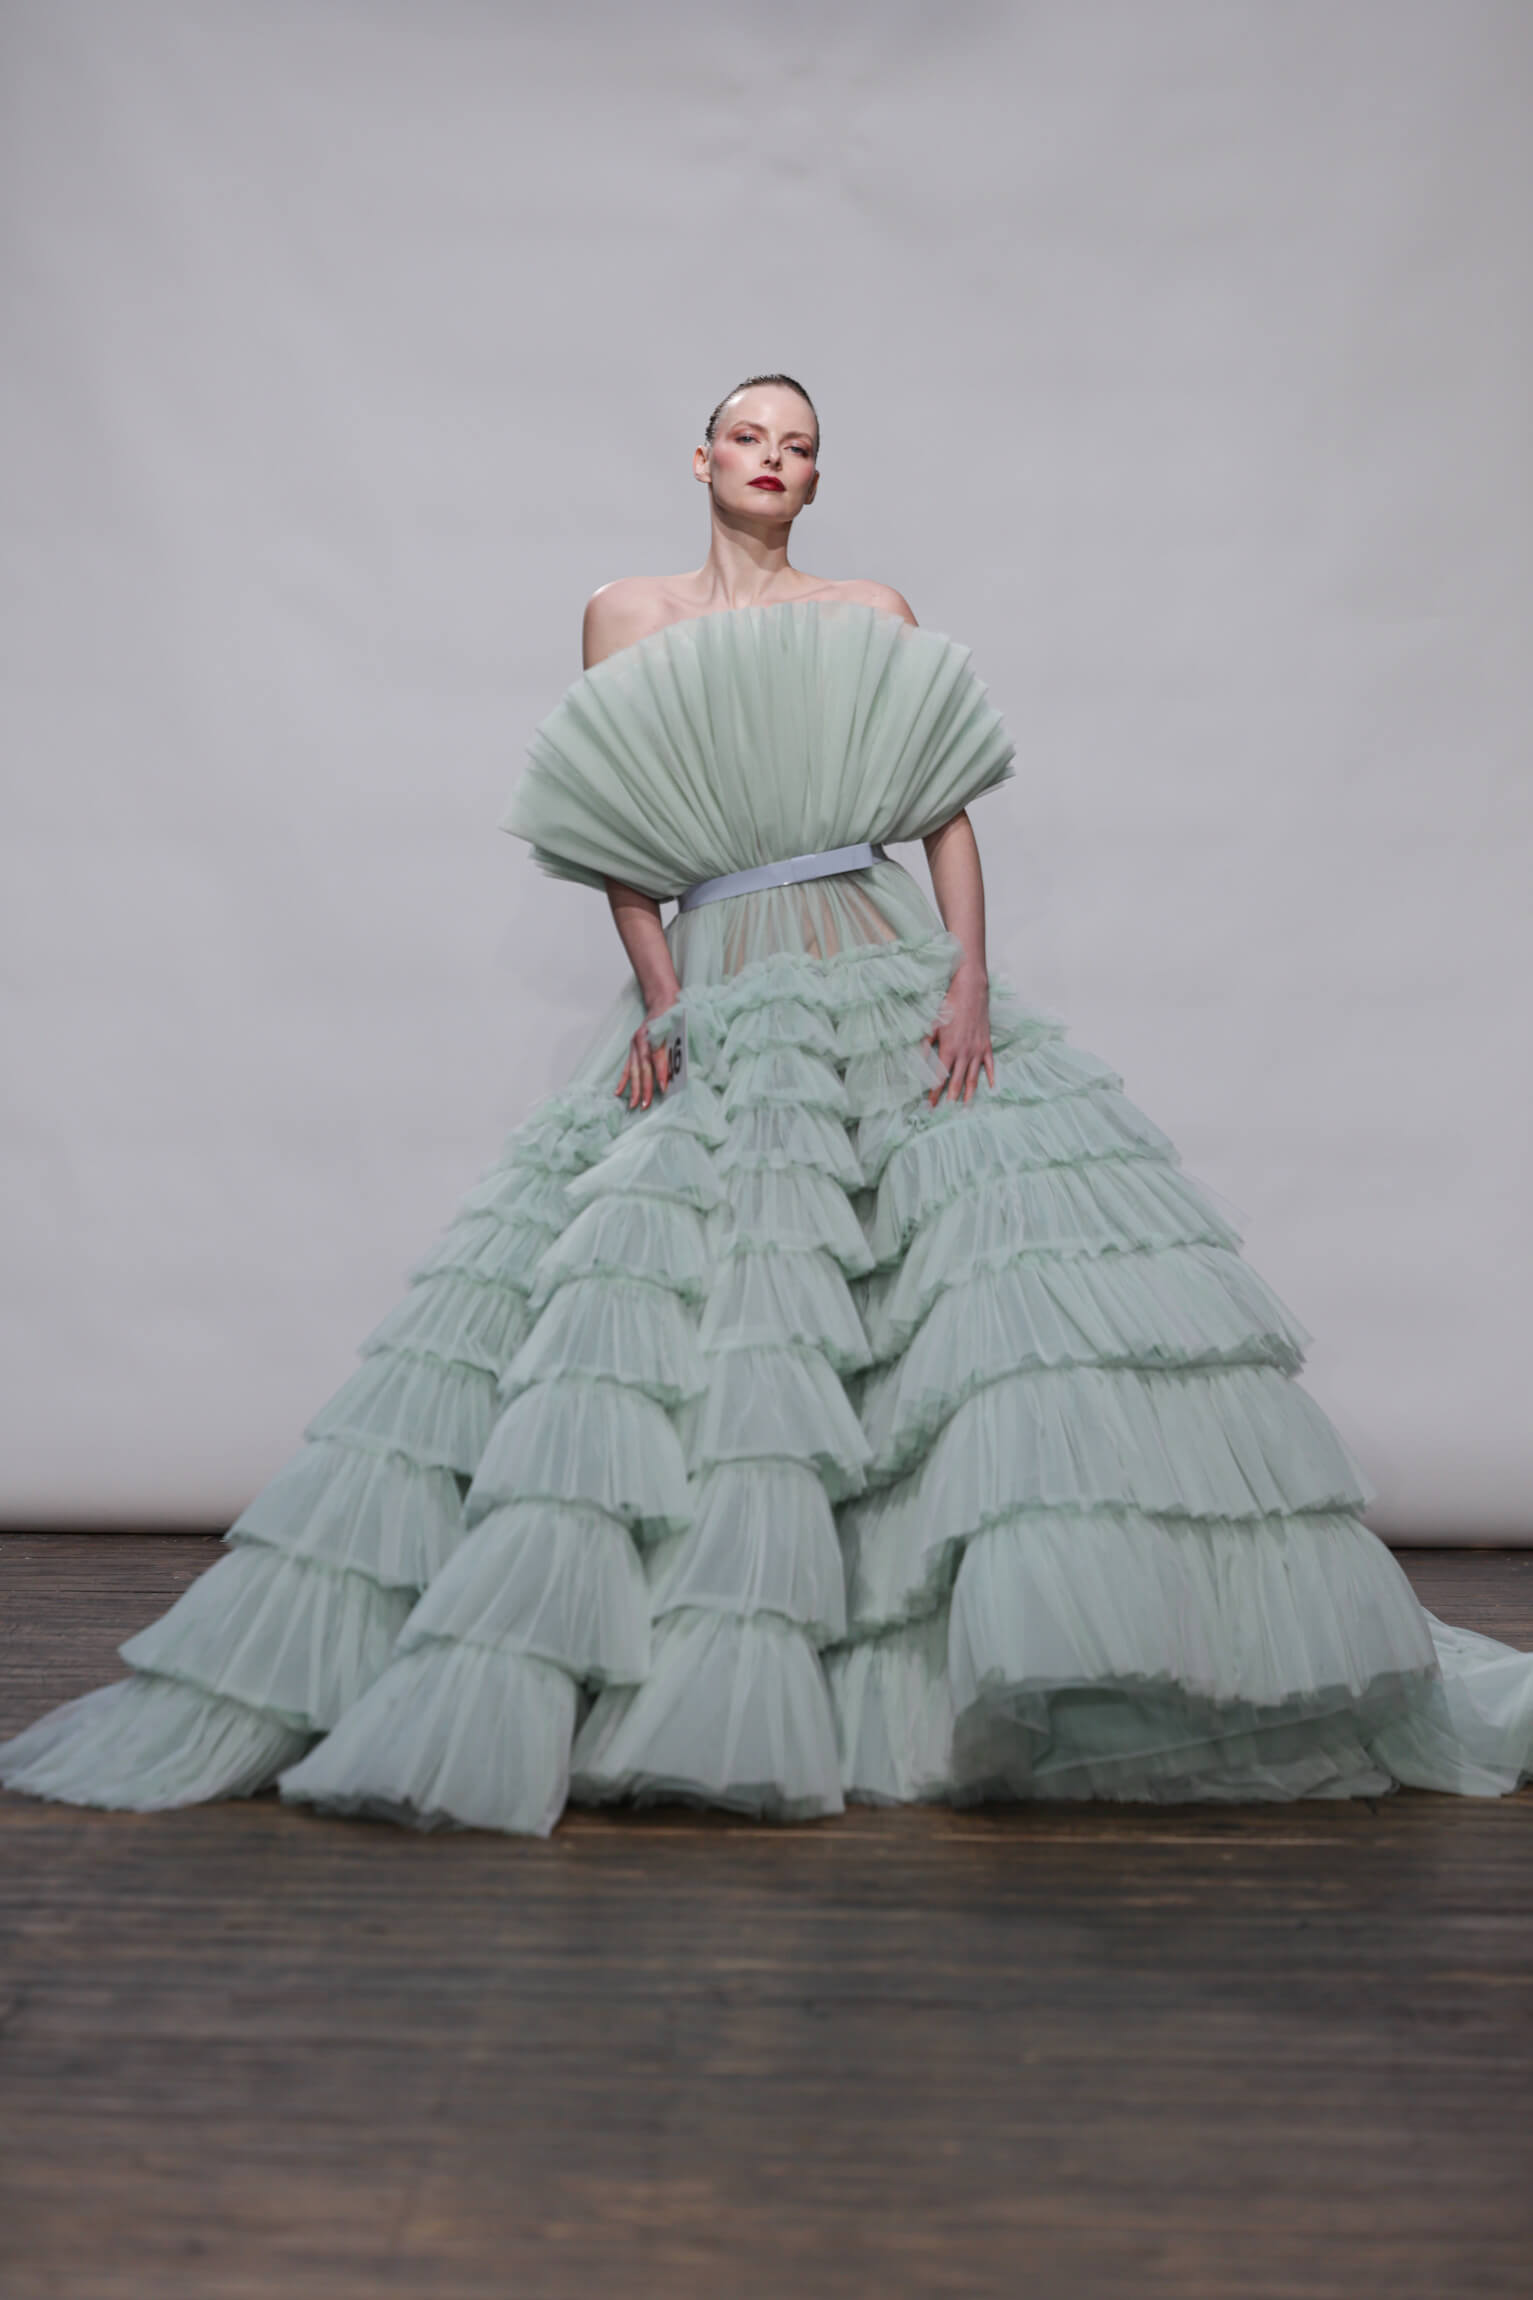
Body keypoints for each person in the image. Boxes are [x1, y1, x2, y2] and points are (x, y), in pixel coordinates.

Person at [5, 373, 1531, 1834]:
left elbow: (943, 818)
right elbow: (614, 822)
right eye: (746, 433)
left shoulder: (869, 613)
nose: (771, 456)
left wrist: (966, 983)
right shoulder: (624, 613)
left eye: (796, 442)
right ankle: (714, 1645)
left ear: (815, 475)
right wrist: (663, 994)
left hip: (876, 959)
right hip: (720, 969)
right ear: (701, 458)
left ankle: (969, 1651)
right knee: (715, 1303)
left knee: (951, 1290)